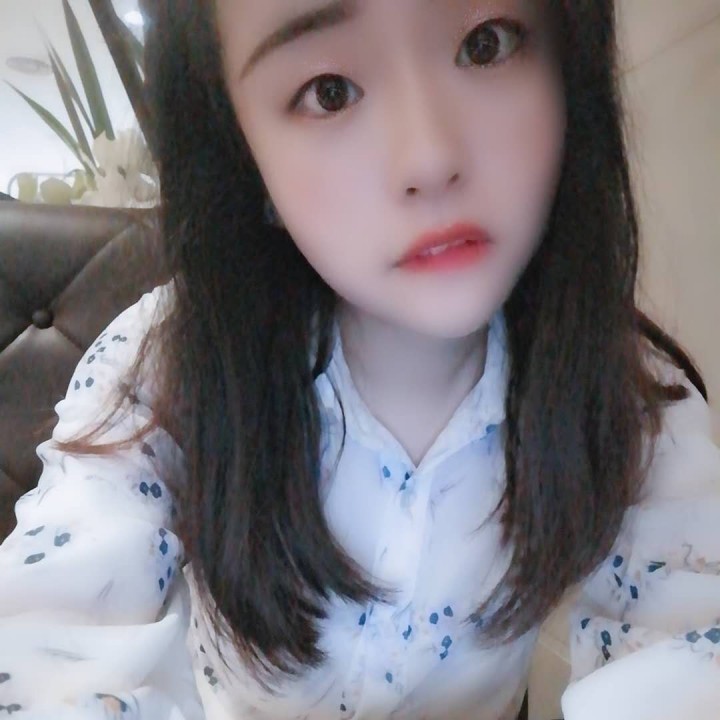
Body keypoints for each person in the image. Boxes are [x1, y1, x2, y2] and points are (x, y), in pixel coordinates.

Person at [0, 0, 718, 718]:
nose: (430, 158)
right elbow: (51, 643)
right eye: (330, 92)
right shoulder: (159, 367)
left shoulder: (637, 400)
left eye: (485, 44)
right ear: (243, 156)